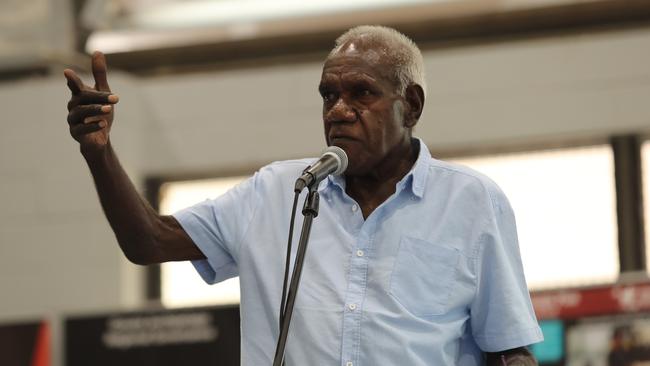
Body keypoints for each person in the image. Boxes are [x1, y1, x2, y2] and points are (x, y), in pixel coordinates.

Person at [64, 25, 542, 365]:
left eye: (361, 93)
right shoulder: (276, 192)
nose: (338, 110)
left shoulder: (472, 202)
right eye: (328, 95)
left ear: (411, 106)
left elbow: (509, 349)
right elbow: (149, 241)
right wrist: (99, 155)